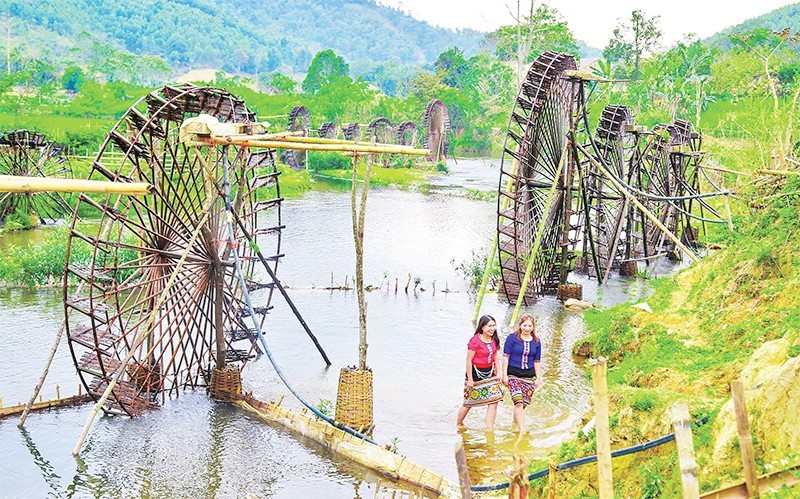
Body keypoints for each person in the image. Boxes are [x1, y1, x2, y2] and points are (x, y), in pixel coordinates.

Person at [456, 315, 503, 429]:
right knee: (469, 402)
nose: (492, 328)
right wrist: (470, 380)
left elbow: (495, 356)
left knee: (494, 400)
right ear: (482, 327)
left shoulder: (494, 339)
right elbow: (468, 360)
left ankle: (489, 428)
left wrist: (499, 372)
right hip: (475, 373)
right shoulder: (475, 341)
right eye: (489, 326)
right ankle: (458, 424)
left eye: (493, 325)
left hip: (490, 373)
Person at [502, 313, 542, 432]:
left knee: (521, 405)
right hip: (513, 375)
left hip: (529, 377)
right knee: (518, 402)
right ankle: (522, 431)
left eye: (529, 326)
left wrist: (538, 378)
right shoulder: (512, 338)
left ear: (533, 327)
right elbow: (505, 357)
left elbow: (537, 361)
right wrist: (504, 375)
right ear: (520, 325)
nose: (527, 328)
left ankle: (514, 425)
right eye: (524, 325)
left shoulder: (536, 341)